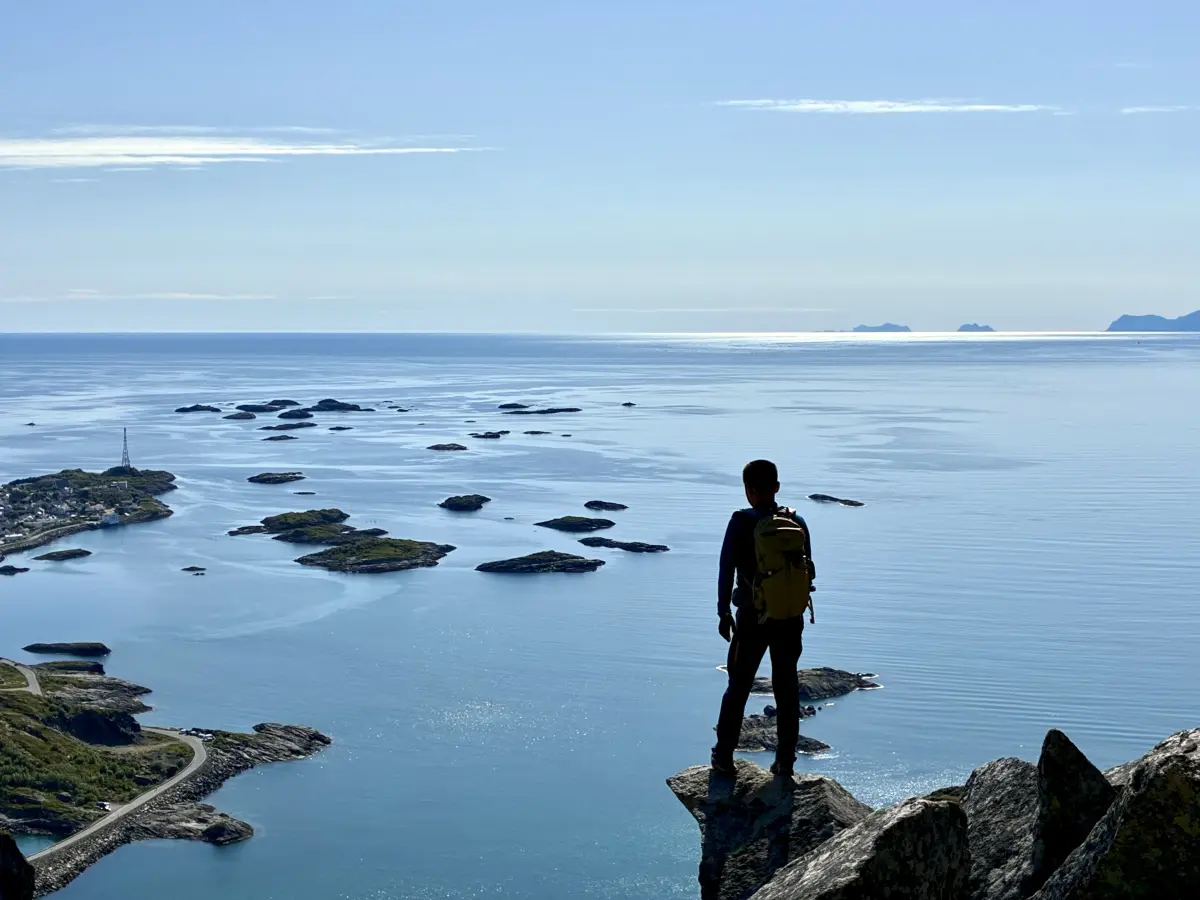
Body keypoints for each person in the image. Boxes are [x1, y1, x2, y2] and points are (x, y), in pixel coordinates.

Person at [711, 459, 815, 778]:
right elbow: (809, 571)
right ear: (777, 488)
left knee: (738, 687)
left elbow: (726, 568)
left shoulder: (741, 521)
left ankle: (724, 757)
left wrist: (723, 612)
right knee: (786, 688)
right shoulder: (796, 520)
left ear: (748, 490)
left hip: (752, 619)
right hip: (790, 618)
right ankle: (785, 761)